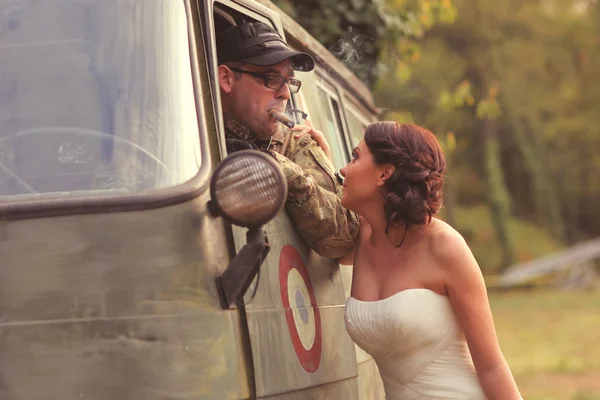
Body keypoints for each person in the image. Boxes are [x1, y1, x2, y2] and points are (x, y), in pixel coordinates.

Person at [337, 121, 522, 399]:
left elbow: (491, 366)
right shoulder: (361, 238)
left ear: (384, 173)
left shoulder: (445, 247)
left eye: (355, 157)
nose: (343, 169)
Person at [216, 21, 358, 259]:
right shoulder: (184, 127)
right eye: (271, 79)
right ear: (226, 79)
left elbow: (344, 238)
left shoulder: (295, 142)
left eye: (288, 82)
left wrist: (279, 169)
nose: (283, 93)